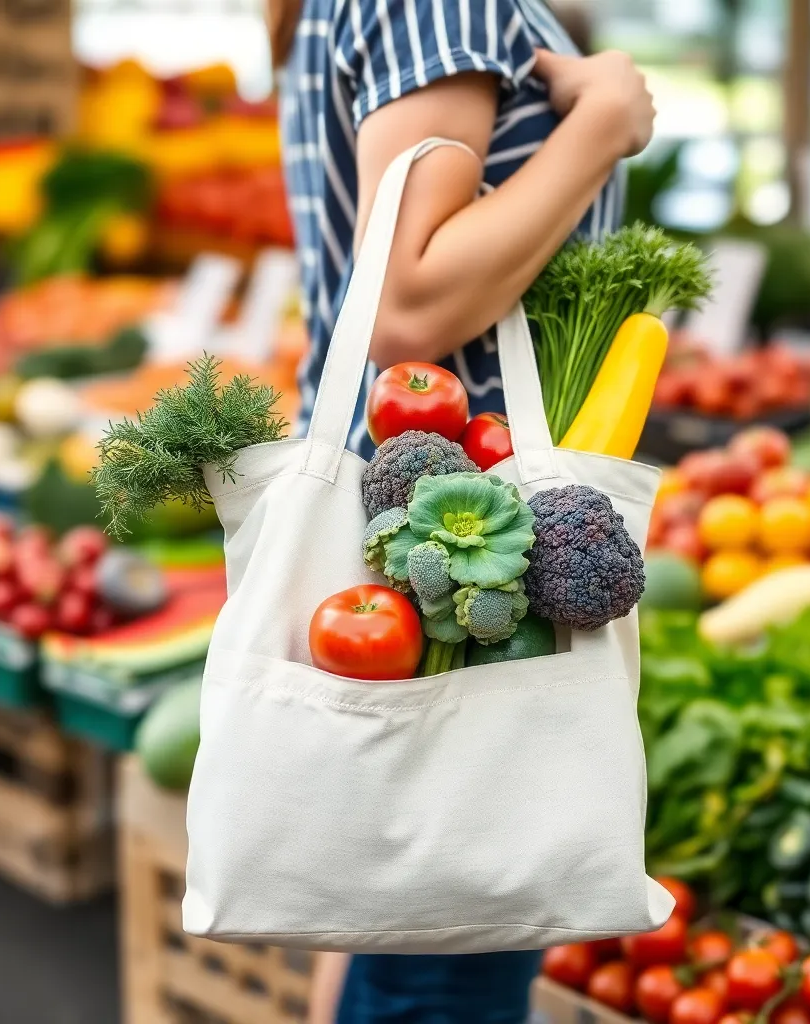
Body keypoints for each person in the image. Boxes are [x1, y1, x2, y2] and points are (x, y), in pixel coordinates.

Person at [266, 1, 655, 1021]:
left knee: (397, 933)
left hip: (404, 534)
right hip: (463, 561)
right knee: (447, 969)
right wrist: (601, 124)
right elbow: (408, 304)